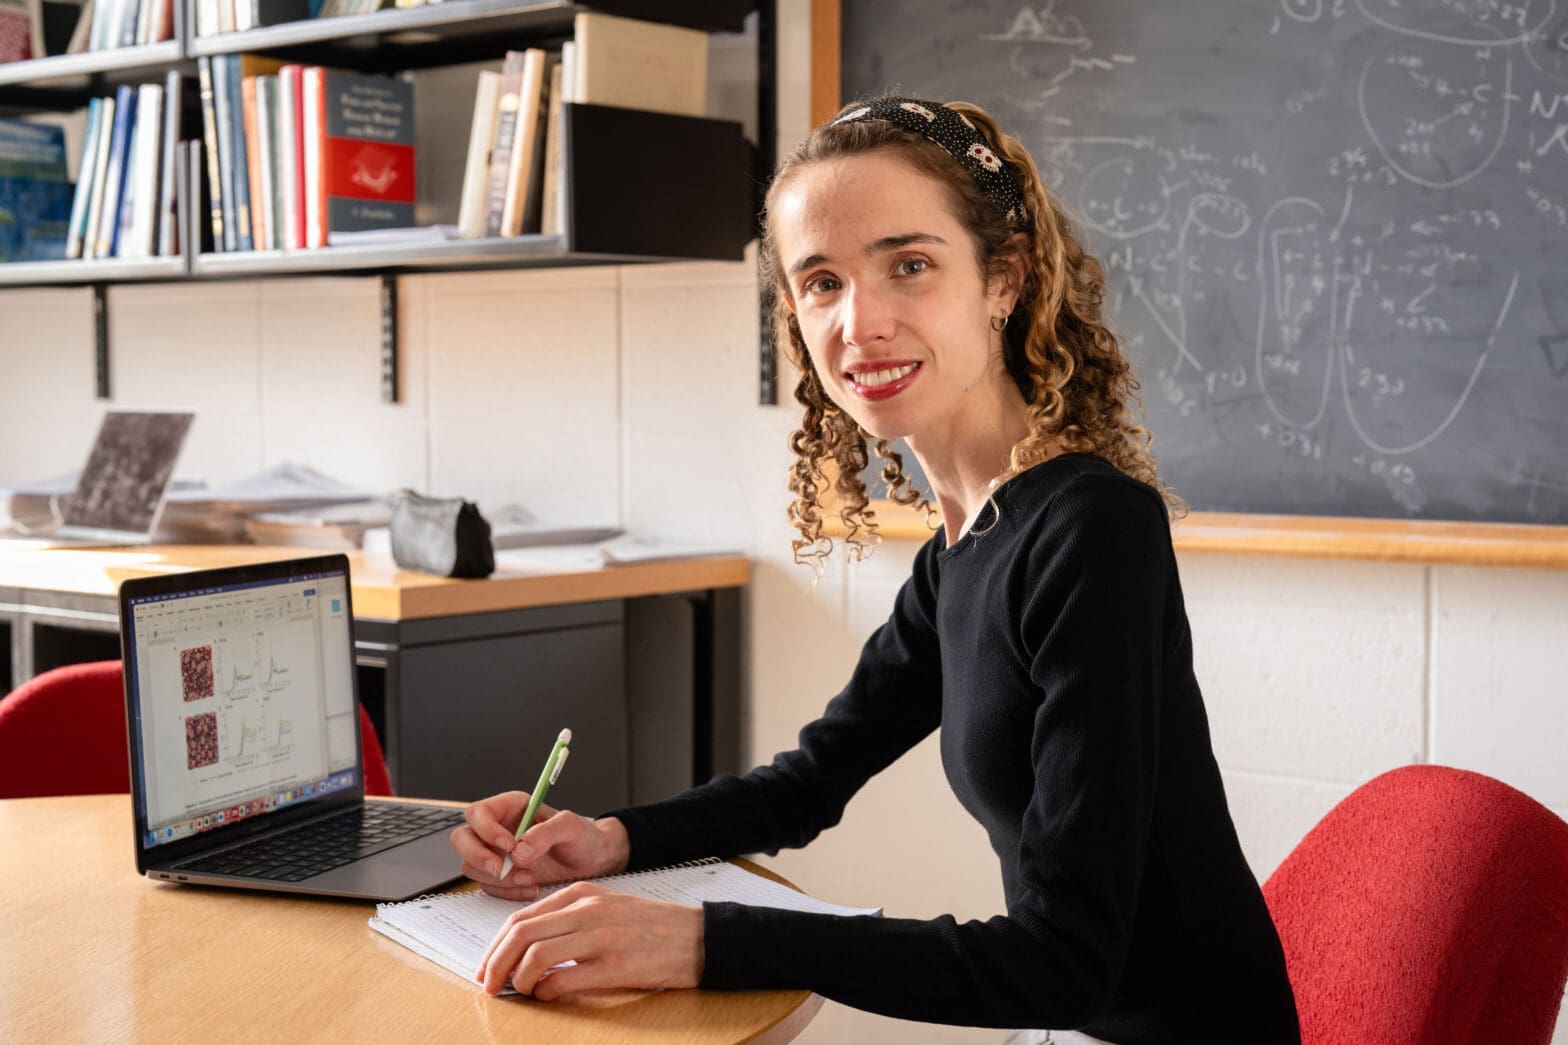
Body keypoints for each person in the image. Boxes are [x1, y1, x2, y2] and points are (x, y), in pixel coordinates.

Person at [449, 95, 1302, 1044]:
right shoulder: (966, 547)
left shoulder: (1092, 530)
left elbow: (1061, 960)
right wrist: (613, 838)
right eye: (822, 282)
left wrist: (703, 941)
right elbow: (809, 784)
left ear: (1005, 278)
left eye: (910, 266)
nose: (863, 322)